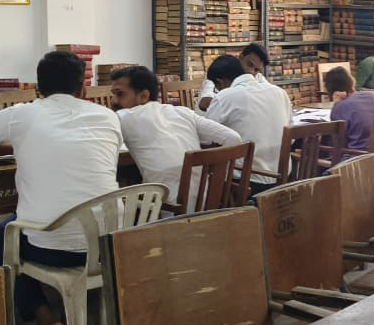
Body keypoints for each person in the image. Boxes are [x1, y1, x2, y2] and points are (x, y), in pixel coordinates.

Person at [0, 51, 121, 325]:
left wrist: (6, 142)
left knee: (4, 234)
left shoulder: (23, 114)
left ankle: (43, 318)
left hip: (58, 252)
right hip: (111, 243)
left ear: (38, 89)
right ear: (83, 88)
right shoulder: (108, 116)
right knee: (13, 228)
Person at [110, 65, 241, 210]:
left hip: (168, 211)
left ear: (143, 96)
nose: (113, 100)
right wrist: (216, 177)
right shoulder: (183, 112)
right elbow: (233, 138)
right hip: (208, 204)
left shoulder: (124, 117)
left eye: (120, 94)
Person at [204, 54, 292, 193]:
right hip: (283, 178)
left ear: (220, 82)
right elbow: (290, 135)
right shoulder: (280, 92)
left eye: (216, 87)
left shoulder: (225, 96)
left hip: (244, 184)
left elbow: (206, 139)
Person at [325, 65, 374, 152]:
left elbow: (339, 145)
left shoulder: (339, 108)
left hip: (355, 160)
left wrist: (336, 106)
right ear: (351, 80)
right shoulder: (373, 96)